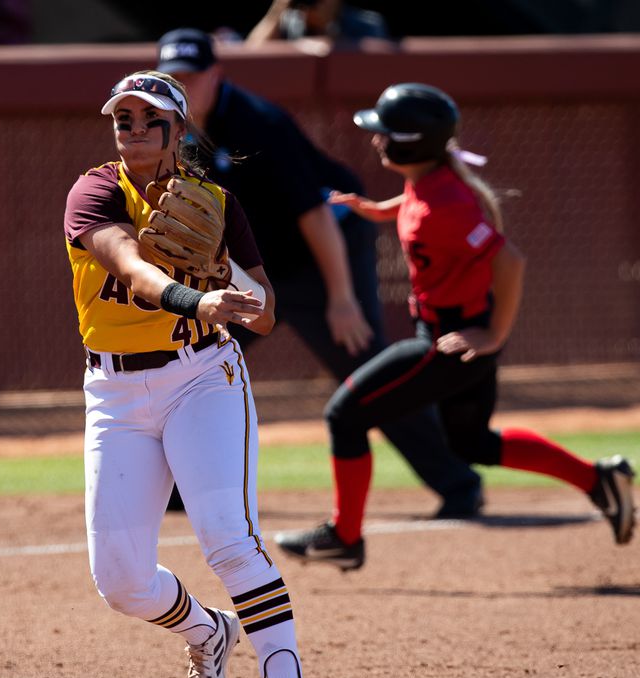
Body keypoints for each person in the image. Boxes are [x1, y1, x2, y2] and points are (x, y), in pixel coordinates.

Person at [63, 69, 325, 678]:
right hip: (115, 395)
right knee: (119, 581)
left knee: (229, 539)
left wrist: (226, 278)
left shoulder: (214, 201)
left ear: (179, 131)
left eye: (151, 120)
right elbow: (128, 265)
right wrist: (193, 296)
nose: (135, 129)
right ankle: (208, 632)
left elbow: (265, 315)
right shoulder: (94, 192)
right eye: (124, 118)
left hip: (200, 379)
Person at [274, 83, 637, 570]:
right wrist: (376, 209)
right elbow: (416, 204)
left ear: (412, 143)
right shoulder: (428, 179)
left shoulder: (445, 203)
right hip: (456, 331)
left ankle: (345, 536)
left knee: (346, 415)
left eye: (385, 133)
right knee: (472, 443)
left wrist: (493, 336)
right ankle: (598, 480)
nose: (377, 140)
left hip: (453, 338)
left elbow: (510, 261)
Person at [155, 28, 484, 518]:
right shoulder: (173, 131)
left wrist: (342, 299)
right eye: (173, 75)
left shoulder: (257, 122)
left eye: (193, 75)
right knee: (196, 360)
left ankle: (459, 483)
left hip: (323, 255)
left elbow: (314, 213)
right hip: (257, 268)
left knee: (363, 367)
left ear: (216, 74)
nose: (184, 84)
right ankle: (179, 487)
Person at [246, 0, 393, 48]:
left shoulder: (368, 24)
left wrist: (328, 29)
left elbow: (376, 71)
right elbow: (252, 56)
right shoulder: (289, 23)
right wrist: (278, 9)